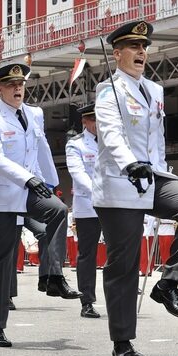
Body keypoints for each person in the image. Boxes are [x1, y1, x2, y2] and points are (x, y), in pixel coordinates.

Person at [93, 20, 178, 356]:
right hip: (120, 182)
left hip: (154, 177)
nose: (141, 52)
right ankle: (122, 342)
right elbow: (111, 132)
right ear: (116, 54)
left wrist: (163, 170)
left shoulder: (156, 90)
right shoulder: (109, 90)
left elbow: (156, 140)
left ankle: (169, 282)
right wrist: (128, 162)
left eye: (144, 47)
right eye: (133, 47)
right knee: (123, 265)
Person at [0, 63, 80, 348]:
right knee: (3, 261)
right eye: (11, 85)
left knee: (58, 209)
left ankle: (53, 276)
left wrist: (52, 182)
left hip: (32, 188)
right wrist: (29, 179)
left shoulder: (35, 113)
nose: (17, 88)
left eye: (21, 84)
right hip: (3, 197)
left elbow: (43, 147)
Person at [65, 103, 102, 319]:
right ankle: (87, 300)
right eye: (94, 120)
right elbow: (78, 173)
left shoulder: (112, 140)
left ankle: (122, 289)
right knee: (87, 254)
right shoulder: (75, 144)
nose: (98, 124)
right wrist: (96, 192)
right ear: (85, 122)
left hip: (113, 203)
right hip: (88, 205)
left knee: (121, 248)